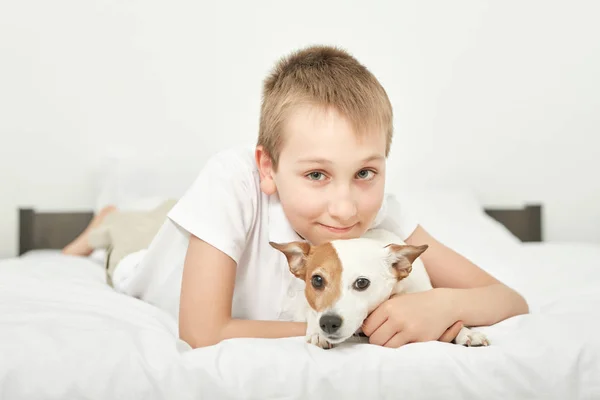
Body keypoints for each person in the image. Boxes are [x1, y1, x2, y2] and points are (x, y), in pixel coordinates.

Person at [123, 45, 529, 349]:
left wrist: (440, 306)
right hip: (139, 259)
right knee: (126, 233)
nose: (346, 208)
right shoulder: (232, 181)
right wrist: (353, 330)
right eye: (317, 174)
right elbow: (203, 333)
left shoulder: (379, 216)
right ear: (268, 169)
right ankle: (106, 221)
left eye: (365, 173)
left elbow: (507, 299)